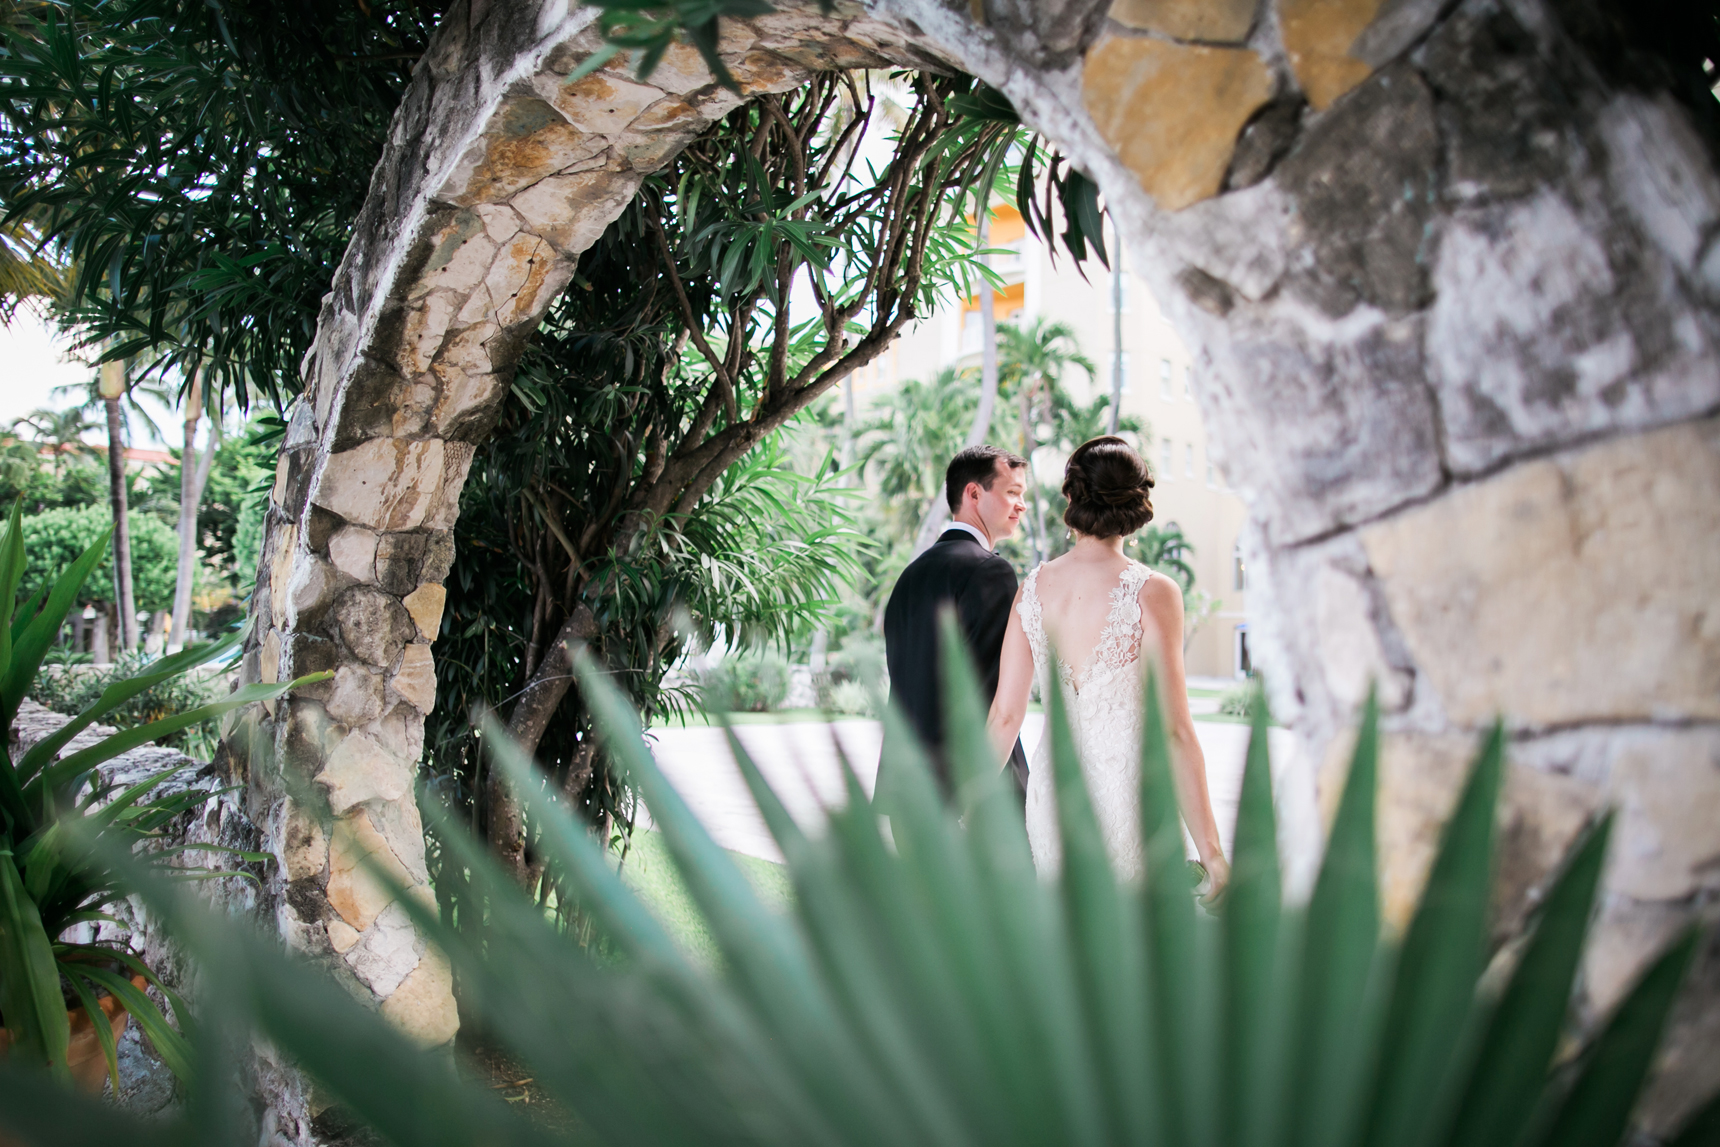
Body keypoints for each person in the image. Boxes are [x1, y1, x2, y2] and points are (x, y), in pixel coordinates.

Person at [986, 436, 1229, 901]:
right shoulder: (1154, 593)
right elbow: (1175, 730)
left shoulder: (1032, 589)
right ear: (1137, 504)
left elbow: (1004, 717)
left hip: (1053, 796)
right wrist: (1211, 852)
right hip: (1131, 796)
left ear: (1071, 498)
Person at [877, 445, 1030, 811]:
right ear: (974, 493)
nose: (1022, 505)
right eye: (1012, 492)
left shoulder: (910, 576)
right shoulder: (991, 572)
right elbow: (995, 702)